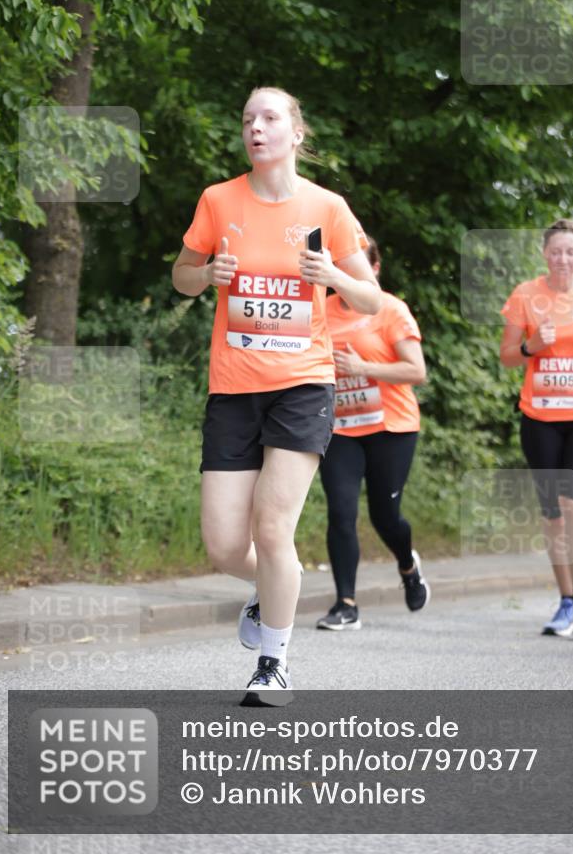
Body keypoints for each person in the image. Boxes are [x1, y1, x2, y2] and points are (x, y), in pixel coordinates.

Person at [172, 87, 381, 703]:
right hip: (233, 389)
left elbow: (370, 300)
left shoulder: (328, 207)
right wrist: (207, 274)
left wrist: (334, 276)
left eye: (269, 118)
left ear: (295, 132)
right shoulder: (218, 200)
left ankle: (274, 665)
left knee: (272, 527)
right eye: (247, 119)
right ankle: (274, 586)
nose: (255, 128)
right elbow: (181, 278)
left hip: (302, 385)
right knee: (223, 545)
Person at [500, 219, 573, 639]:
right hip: (540, 418)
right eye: (556, 251)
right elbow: (508, 357)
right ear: (545, 254)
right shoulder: (526, 295)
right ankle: (565, 600)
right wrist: (532, 346)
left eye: (571, 251)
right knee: (553, 514)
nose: (564, 259)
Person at [316, 238, 429, 631]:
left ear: (374, 271)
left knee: (386, 517)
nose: (347, 277)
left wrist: (364, 367)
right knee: (341, 511)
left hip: (390, 428)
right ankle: (345, 603)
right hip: (340, 429)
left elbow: (416, 371)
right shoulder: (320, 309)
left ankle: (408, 566)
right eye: (341, 268)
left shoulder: (390, 310)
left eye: (356, 268)